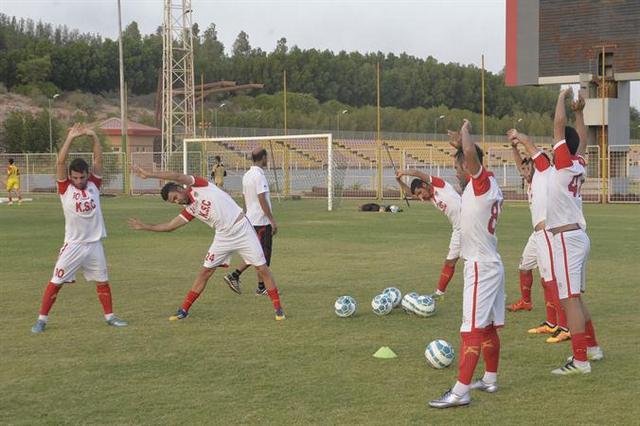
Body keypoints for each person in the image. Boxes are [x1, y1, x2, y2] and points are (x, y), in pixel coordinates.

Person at [516, 88, 602, 375]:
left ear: (563, 146)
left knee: (569, 301)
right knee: (575, 298)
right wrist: (579, 113)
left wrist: (561, 98)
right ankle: (592, 348)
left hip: (565, 238)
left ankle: (580, 361)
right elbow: (581, 141)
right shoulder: (577, 163)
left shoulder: (563, 164)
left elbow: (558, 127)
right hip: (578, 236)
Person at [128, 165, 285, 321]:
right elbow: (170, 226)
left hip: (242, 228)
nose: (176, 201)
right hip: (223, 236)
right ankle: (183, 310)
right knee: (205, 272)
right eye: (173, 201)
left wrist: (149, 174)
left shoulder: (198, 184)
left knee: (262, 268)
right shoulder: (189, 209)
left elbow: (176, 175)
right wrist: (145, 226)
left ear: (179, 188)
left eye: (175, 197)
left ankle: (278, 309)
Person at [429, 119, 504, 408]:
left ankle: (460, 392)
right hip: (491, 262)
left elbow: (473, 158)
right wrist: (461, 145)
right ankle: (490, 378)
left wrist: (465, 132)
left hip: (480, 266)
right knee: (486, 327)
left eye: (458, 166)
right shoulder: (490, 183)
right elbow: (475, 157)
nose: (455, 171)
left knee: (470, 328)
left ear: (468, 167)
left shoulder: (481, 184)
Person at [31, 124, 128, 333]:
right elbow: (60, 161)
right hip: (73, 244)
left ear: (87, 174)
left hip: (94, 244)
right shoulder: (65, 188)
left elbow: (99, 160)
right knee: (56, 281)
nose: (79, 181)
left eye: (81, 177)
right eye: (75, 177)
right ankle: (41, 320)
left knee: (102, 281)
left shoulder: (94, 183)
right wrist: (70, 138)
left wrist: (93, 135)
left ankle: (110, 317)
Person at [507, 132, 570, 343]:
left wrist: (519, 137)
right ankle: (552, 322)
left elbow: (532, 147)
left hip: (547, 232)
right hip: (538, 235)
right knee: (544, 279)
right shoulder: (533, 180)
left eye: (528, 167)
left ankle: (564, 326)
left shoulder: (545, 171)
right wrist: (514, 148)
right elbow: (520, 164)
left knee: (552, 279)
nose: (524, 171)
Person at [395, 167, 461, 300]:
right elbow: (409, 193)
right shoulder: (430, 197)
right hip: (458, 230)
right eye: (418, 196)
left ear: (425, 185)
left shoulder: (439, 185)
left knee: (477, 262)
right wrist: (399, 181)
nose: (421, 198)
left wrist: (403, 172)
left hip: (471, 225)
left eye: (420, 193)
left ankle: (493, 292)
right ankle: (439, 294)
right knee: (449, 262)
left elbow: (416, 173)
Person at [224, 148, 278, 296]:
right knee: (262, 257)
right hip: (261, 221)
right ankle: (234, 275)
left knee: (257, 253)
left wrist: (247, 214)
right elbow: (262, 199)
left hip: (252, 219)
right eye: (267, 157)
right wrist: (272, 220)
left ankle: (261, 287)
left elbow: (244, 196)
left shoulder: (247, 175)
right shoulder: (259, 176)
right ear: (263, 158)